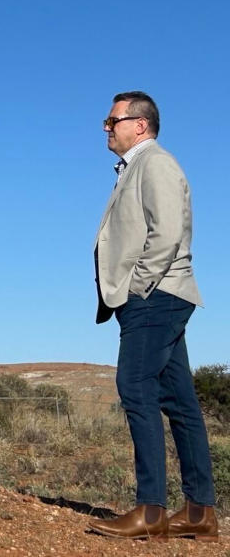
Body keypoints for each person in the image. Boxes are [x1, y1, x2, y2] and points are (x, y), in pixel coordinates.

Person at [87, 91, 218, 542]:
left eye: (112, 120)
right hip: (159, 294)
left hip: (155, 295)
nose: (106, 127)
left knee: (135, 387)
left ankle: (150, 510)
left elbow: (167, 232)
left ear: (139, 124)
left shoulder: (156, 163)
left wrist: (137, 287)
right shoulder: (134, 168)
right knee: (179, 402)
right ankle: (200, 513)